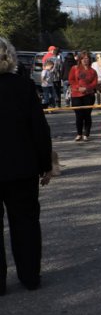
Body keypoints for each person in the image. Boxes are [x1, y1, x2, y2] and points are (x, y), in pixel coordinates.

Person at [0, 36, 52, 295]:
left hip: (19, 167)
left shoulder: (24, 85)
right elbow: (39, 130)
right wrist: (46, 164)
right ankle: (30, 276)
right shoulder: (23, 86)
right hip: (21, 167)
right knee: (26, 223)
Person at [69, 51, 98, 141]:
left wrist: (87, 88)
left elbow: (95, 83)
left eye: (87, 58)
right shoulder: (74, 68)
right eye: (83, 58)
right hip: (76, 95)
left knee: (87, 115)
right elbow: (71, 80)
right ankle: (79, 133)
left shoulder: (93, 71)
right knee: (79, 115)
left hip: (88, 95)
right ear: (80, 60)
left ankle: (86, 134)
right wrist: (78, 88)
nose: (85, 60)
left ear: (89, 60)